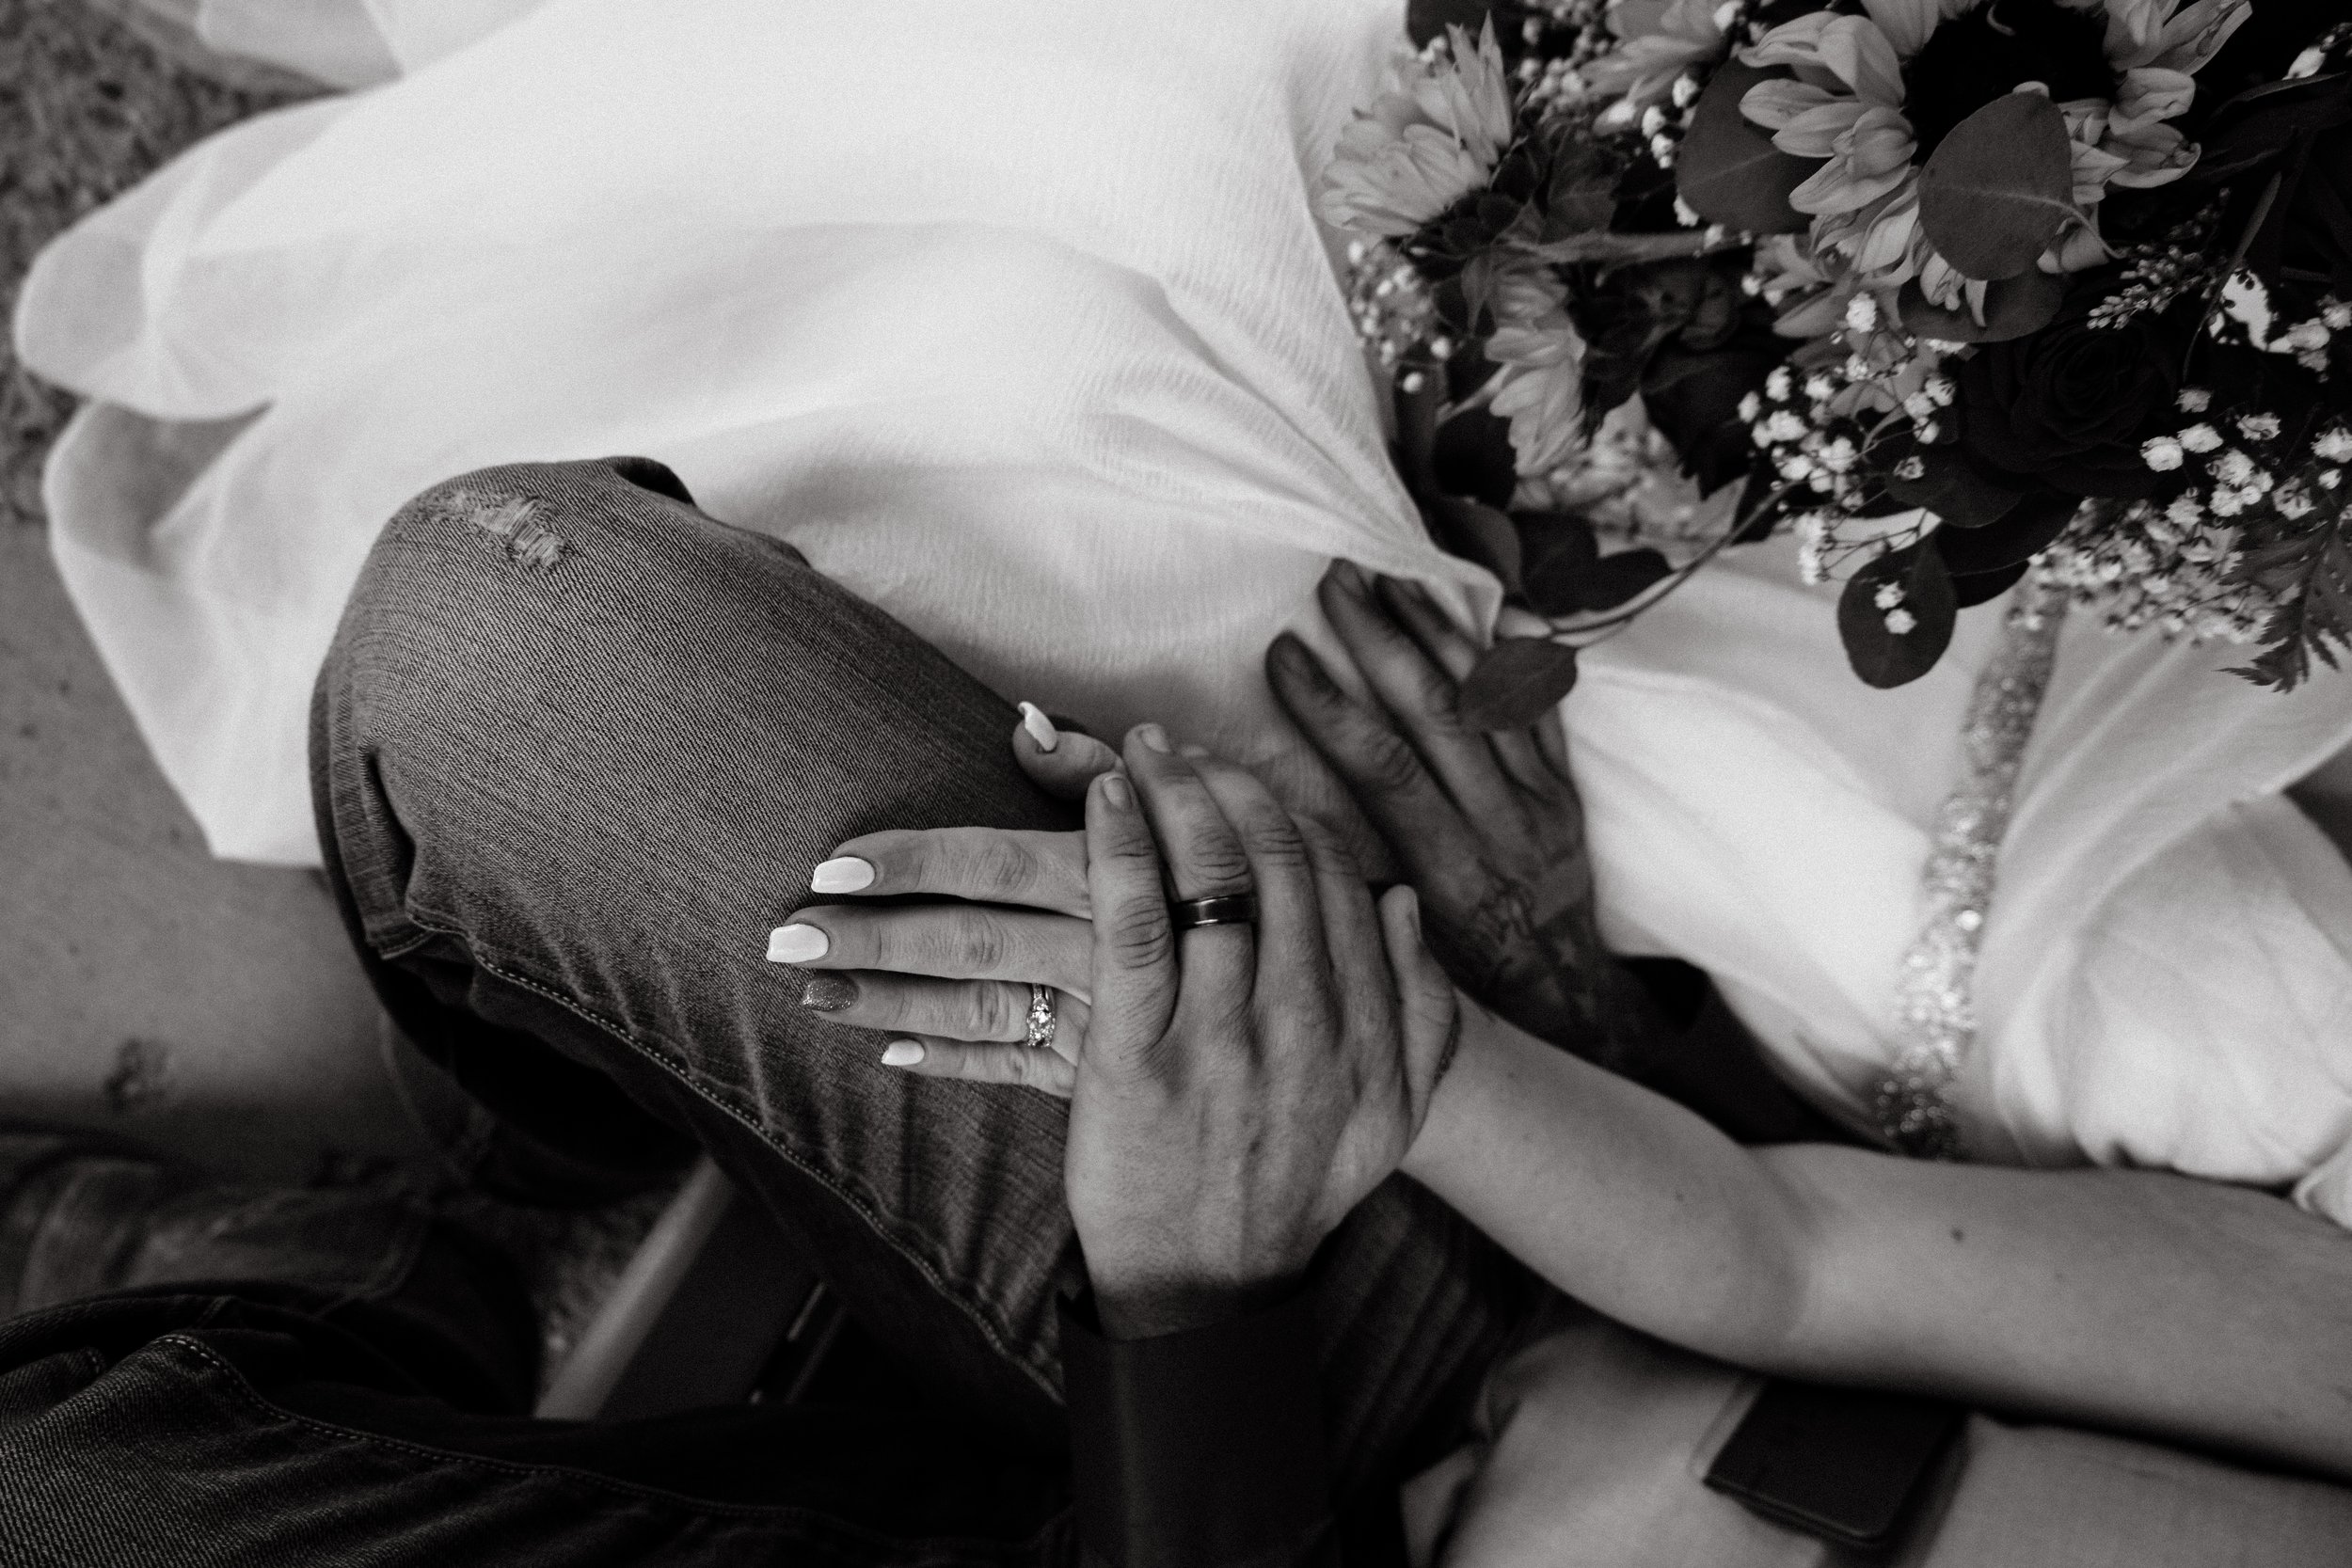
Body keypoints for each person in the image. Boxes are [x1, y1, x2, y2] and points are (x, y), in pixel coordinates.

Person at [20, 0, 2352, 1222]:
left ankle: (552, 750)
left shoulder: (2269, 1180)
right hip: (1896, 479)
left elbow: (1795, 1299)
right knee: (1281, 111)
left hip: (1684, 928)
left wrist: (1553, 1005)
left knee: (1099, 415)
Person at [7, 459, 2348, 1568]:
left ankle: (283, 1322)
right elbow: (1782, 1256)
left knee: (70, 1506)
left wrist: (1183, 1306)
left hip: (1200, 1465)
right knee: (507, 634)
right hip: (1435, 1326)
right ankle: (523, 1166)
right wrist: (1369, 1023)